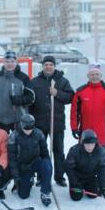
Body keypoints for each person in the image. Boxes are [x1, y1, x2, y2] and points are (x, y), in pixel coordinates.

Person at [29, 56, 74, 187]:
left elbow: (71, 96)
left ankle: (59, 177)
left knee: (58, 151)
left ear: (54, 66)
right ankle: (41, 175)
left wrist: (57, 93)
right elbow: (30, 101)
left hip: (57, 123)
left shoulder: (62, 81)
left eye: (51, 64)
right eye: (46, 64)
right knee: (40, 151)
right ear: (42, 66)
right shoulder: (35, 82)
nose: (48, 66)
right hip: (39, 123)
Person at [70, 64, 105, 149]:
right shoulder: (80, 91)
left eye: (97, 74)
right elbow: (74, 112)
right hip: (85, 134)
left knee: (101, 161)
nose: (95, 77)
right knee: (84, 161)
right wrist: (74, 128)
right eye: (92, 74)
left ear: (101, 76)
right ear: (88, 76)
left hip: (102, 135)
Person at [7, 114, 52, 206]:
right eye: (26, 129)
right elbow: (12, 158)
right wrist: (16, 176)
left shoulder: (39, 134)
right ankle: (28, 180)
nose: (28, 131)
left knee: (47, 163)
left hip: (35, 162)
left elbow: (45, 153)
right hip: (23, 166)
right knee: (23, 195)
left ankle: (45, 192)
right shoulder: (14, 136)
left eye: (30, 129)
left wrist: (46, 172)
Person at [0, 50, 35, 134]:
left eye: (12, 61)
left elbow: (31, 97)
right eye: (7, 61)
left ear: (16, 62)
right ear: (3, 62)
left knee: (18, 145)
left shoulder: (23, 78)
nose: (9, 64)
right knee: (1, 145)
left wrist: (19, 100)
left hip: (18, 119)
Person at [64, 129, 105, 201]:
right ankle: (77, 188)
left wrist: (103, 187)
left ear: (95, 143)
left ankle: (90, 186)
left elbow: (102, 169)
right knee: (76, 196)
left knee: (93, 195)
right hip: (77, 178)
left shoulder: (100, 151)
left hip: (90, 177)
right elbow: (68, 168)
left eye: (92, 144)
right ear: (82, 143)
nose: (90, 147)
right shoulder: (75, 150)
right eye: (87, 144)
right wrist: (74, 182)